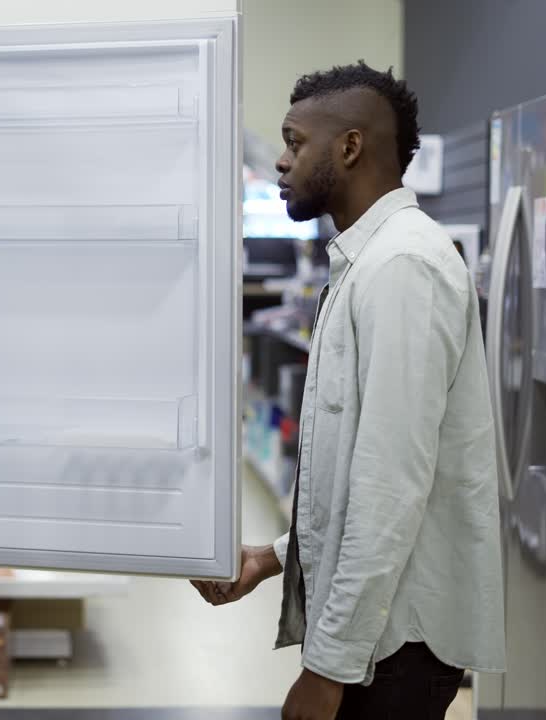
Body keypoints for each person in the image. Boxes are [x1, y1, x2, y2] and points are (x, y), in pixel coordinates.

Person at [193, 62, 506, 720]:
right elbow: (354, 468)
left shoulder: (402, 268)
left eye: (294, 141)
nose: (281, 161)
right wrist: (274, 557)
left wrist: (327, 670)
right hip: (380, 636)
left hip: (394, 649)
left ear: (351, 146)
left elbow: (389, 486)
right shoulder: (371, 260)